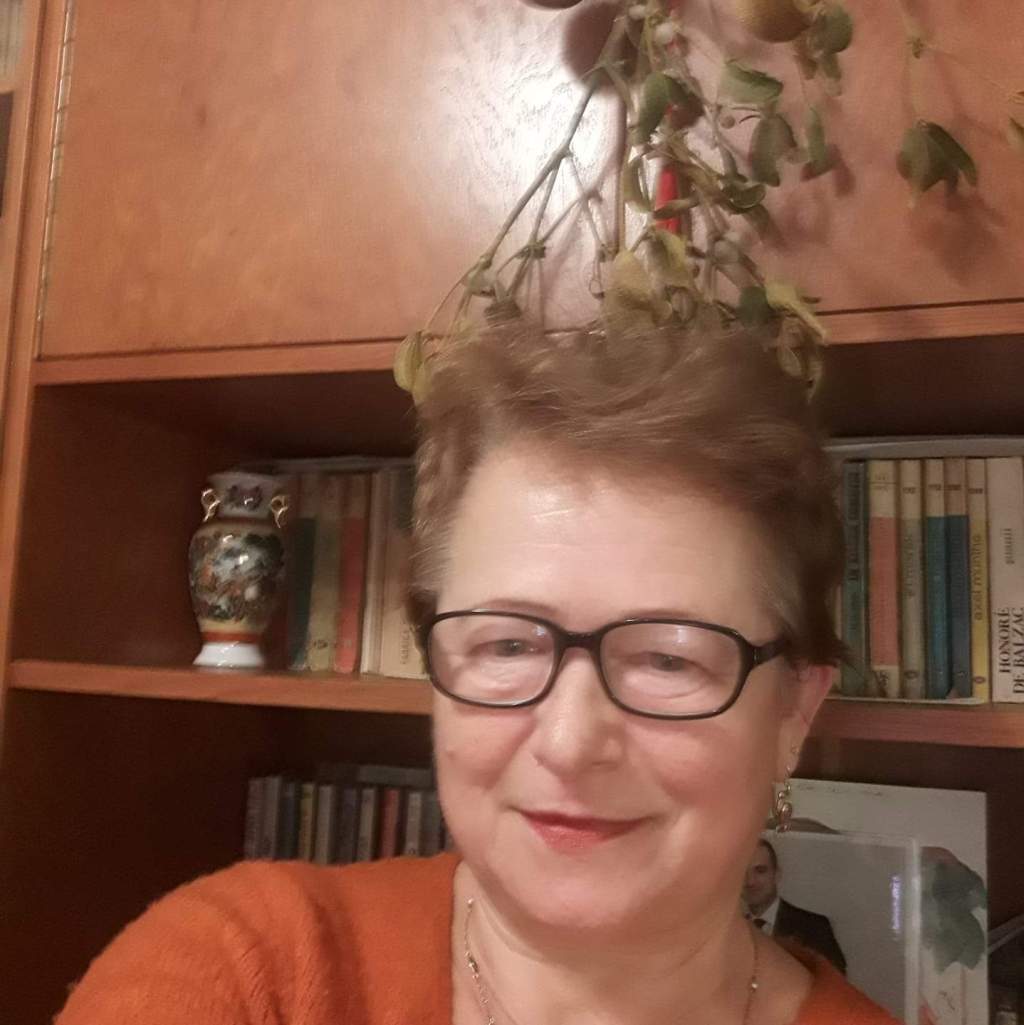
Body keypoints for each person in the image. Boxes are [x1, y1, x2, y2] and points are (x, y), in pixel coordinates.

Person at [56, 320, 898, 1024]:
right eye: (508, 645)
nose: (570, 742)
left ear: (794, 714)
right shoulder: (250, 970)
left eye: (668, 657)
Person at [744, 838, 848, 974]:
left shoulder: (814, 927)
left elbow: (835, 980)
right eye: (742, 872)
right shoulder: (729, 928)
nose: (750, 881)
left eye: (760, 871)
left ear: (776, 875)